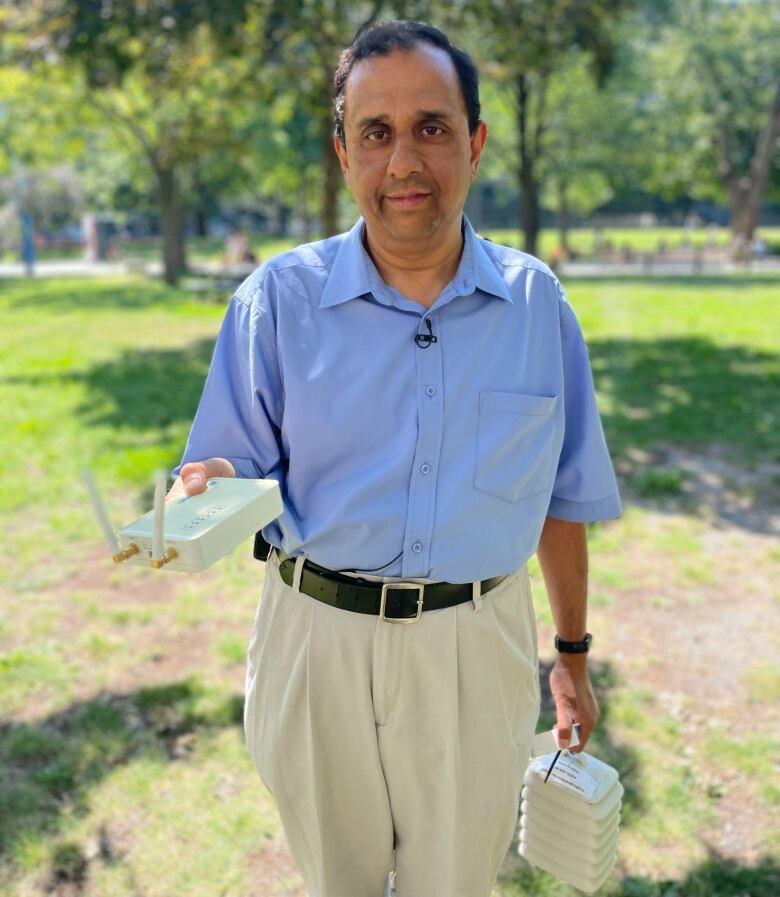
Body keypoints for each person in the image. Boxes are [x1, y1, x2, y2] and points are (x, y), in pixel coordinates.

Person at [168, 20, 622, 897]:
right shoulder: (276, 300)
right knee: (339, 882)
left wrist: (570, 654)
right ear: (344, 153)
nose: (404, 161)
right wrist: (212, 481)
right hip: (316, 642)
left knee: (453, 884)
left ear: (476, 143)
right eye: (376, 132)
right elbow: (229, 463)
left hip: (476, 646)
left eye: (432, 127)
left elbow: (562, 495)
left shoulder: (538, 306)